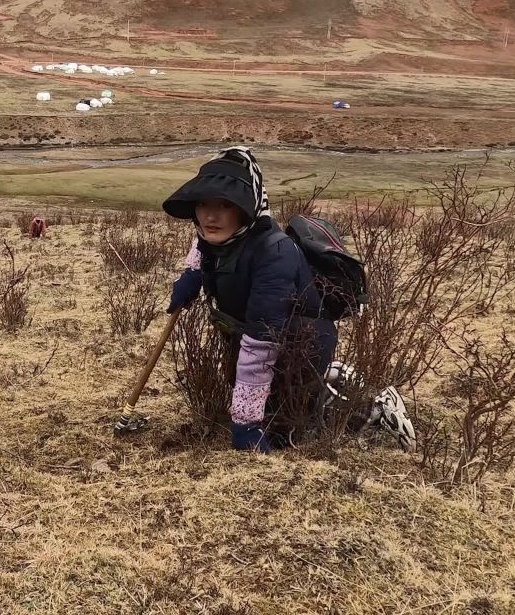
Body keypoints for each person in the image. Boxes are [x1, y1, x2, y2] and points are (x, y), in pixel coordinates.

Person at [162, 146, 414, 452]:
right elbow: (203, 243)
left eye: (225, 204)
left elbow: (261, 341)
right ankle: (328, 382)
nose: (210, 216)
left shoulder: (274, 253)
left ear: (246, 208)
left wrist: (245, 421)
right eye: (203, 203)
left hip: (302, 343)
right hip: (256, 334)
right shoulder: (220, 237)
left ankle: (373, 408)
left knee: (287, 436)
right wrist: (192, 275)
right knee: (255, 395)